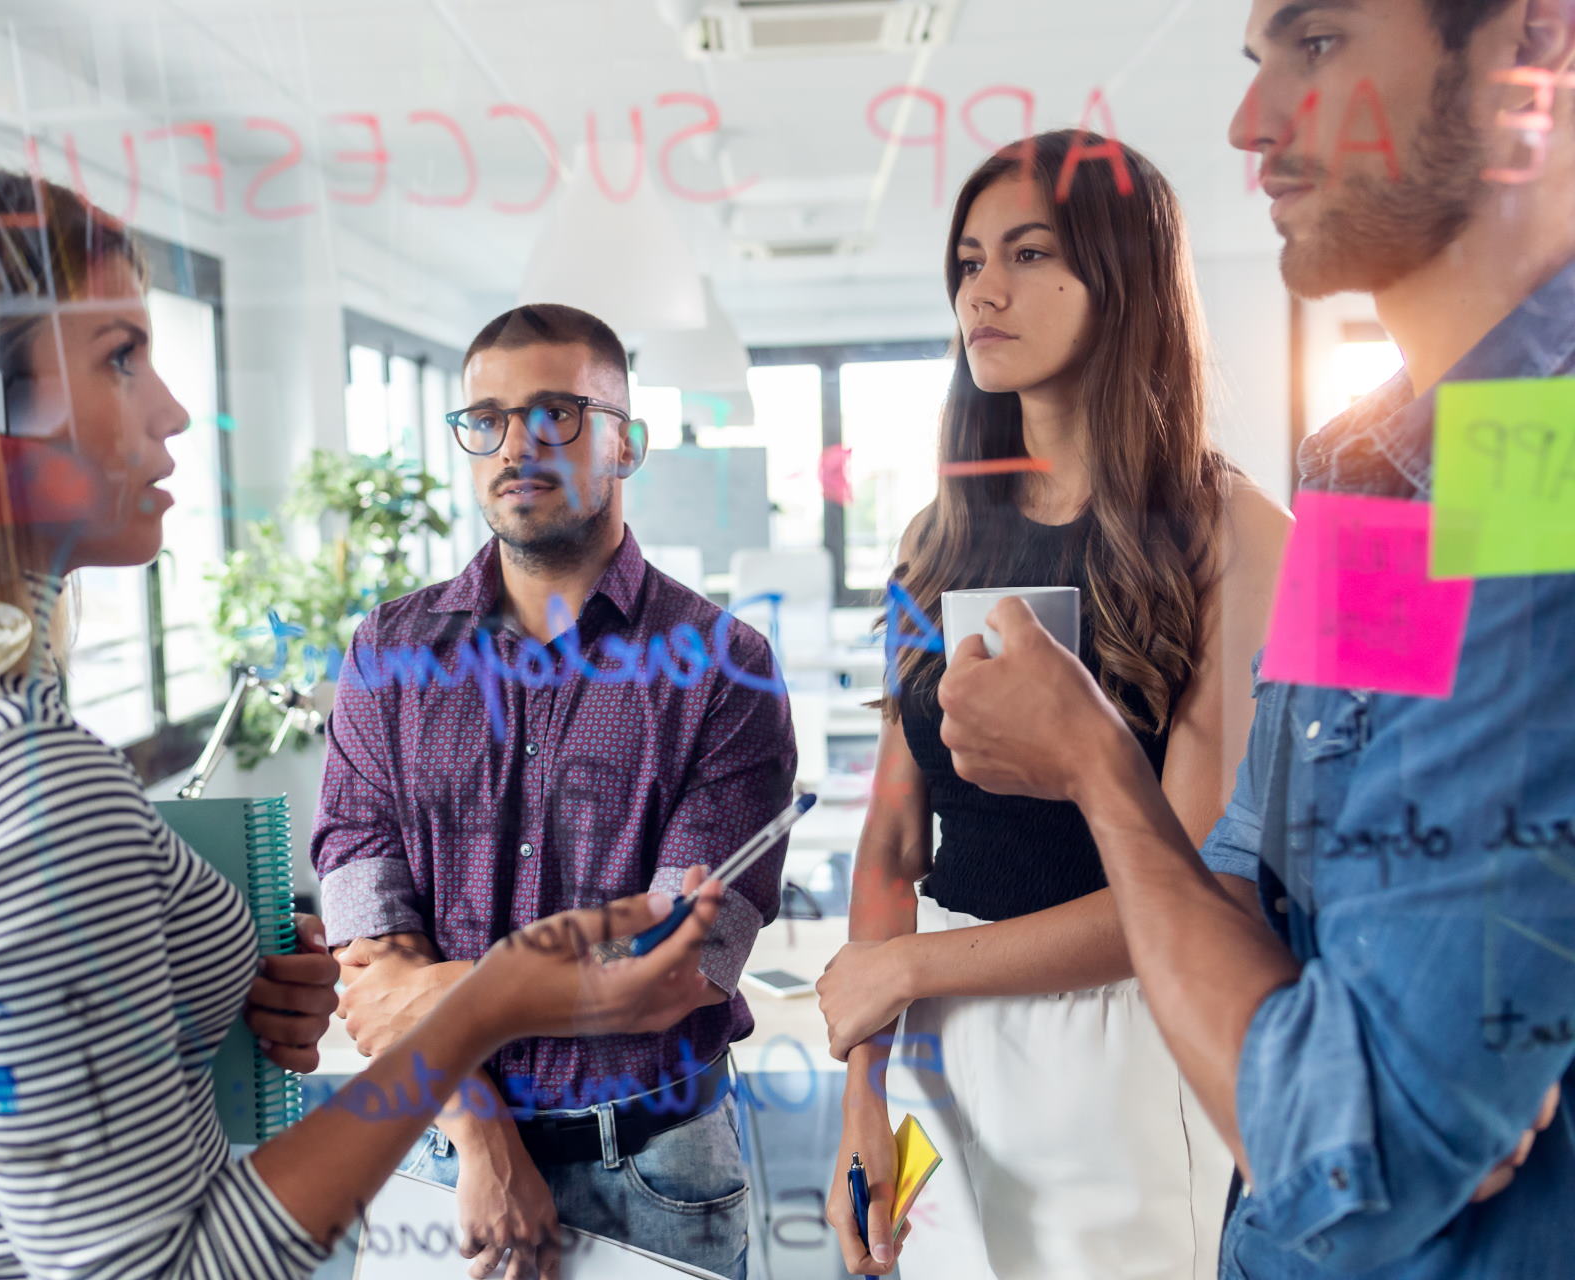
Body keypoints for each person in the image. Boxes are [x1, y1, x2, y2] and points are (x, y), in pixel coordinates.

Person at [0, 160, 728, 1280]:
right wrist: (491, 998)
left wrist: (208, 972)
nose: (175, 408)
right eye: (121, 357)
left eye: (558, 414)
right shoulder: (23, 789)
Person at [935, 1, 1574, 1276]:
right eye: (1257, 60)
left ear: (1532, 44)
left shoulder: (1539, 463)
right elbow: (1258, 860)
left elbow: (1356, 1154)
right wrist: (1337, 1013)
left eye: (1320, 43)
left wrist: (1099, 769)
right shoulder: (1374, 474)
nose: (1251, 121)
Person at [815, 130, 1294, 1279]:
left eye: (1029, 254)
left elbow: (1188, 887)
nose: (985, 288)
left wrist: (912, 970)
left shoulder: (1233, 535)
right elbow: (893, 834)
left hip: (1123, 1038)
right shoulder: (932, 548)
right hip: (933, 1043)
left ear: (1120, 277)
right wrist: (864, 1093)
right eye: (971, 260)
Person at [311, 303, 797, 1280]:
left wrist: (438, 994)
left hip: (659, 1172)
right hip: (441, 1150)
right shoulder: (386, 654)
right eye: (484, 417)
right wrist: (483, 1131)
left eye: (558, 413)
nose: (515, 442)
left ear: (629, 442)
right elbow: (369, 948)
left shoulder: (724, 669)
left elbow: (673, 970)